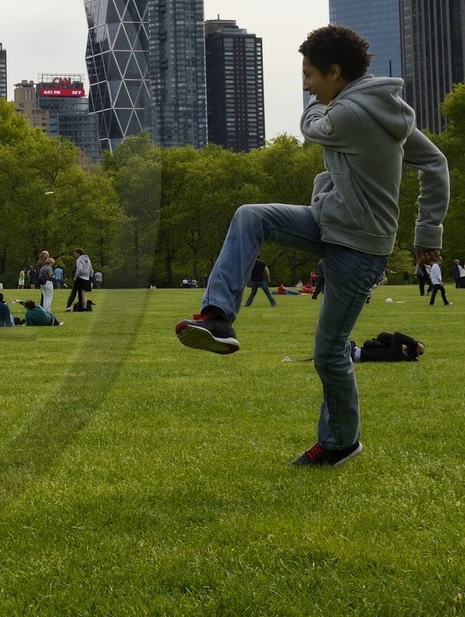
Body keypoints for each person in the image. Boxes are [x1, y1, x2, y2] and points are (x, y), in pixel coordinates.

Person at [174, 25, 448, 467]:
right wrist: (427, 233)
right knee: (251, 215)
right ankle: (218, 317)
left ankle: (340, 442)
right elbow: (436, 161)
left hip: (359, 247)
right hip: (329, 222)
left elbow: (309, 129)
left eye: (309, 76)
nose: (305, 86)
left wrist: (427, 234)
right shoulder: (384, 113)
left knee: (329, 350)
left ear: (335, 72)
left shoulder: (351, 115)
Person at [354, 331, 424, 362]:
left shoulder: (397, 353)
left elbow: (398, 335)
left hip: (352, 353)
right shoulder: (397, 354)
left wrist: (416, 343)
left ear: (407, 347)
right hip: (355, 351)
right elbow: (382, 336)